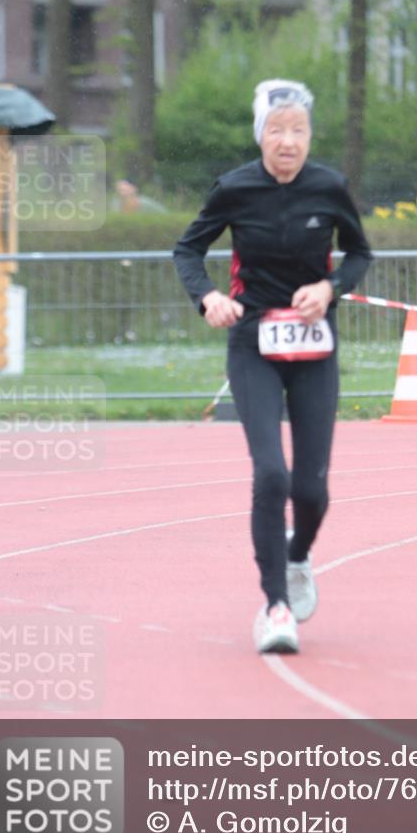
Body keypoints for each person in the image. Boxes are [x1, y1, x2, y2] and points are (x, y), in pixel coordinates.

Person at [173, 79, 372, 654]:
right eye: (277, 130)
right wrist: (208, 297)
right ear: (261, 134)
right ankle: (274, 606)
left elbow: (360, 253)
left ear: (310, 136)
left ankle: (298, 554)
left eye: (299, 130)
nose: (288, 141)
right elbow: (187, 250)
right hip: (253, 343)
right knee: (272, 476)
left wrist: (330, 287)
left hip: (313, 347)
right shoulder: (234, 189)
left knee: (311, 490)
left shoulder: (329, 187)